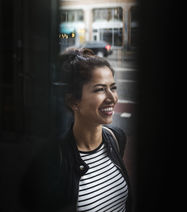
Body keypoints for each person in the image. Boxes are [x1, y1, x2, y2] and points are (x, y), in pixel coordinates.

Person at [20, 48, 132, 212]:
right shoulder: (53, 159)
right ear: (74, 102)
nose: (112, 98)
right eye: (100, 89)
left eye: (113, 87)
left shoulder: (116, 138)